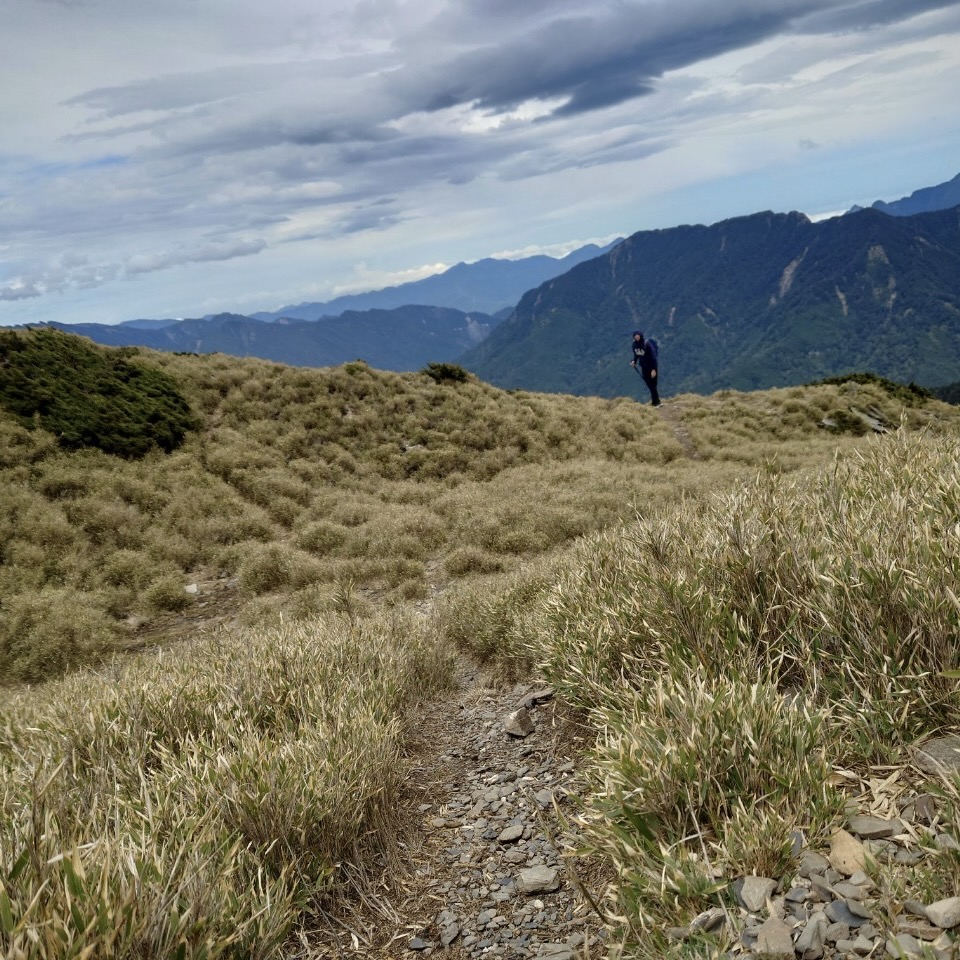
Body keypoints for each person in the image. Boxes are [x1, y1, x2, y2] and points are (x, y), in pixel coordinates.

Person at [630, 330, 660, 406]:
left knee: (653, 384)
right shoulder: (634, 345)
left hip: (651, 367)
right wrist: (634, 361)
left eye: (638, 337)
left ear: (641, 336)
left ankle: (655, 402)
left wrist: (653, 369)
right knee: (649, 384)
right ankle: (656, 401)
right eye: (635, 337)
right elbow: (636, 355)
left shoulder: (647, 344)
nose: (637, 338)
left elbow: (653, 357)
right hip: (644, 367)